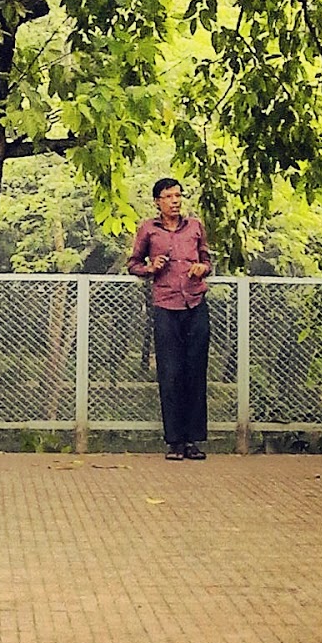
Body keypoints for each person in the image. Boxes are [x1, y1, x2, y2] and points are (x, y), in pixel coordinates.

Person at [127, 177, 214, 460]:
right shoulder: (148, 229)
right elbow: (133, 264)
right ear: (157, 202)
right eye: (168, 196)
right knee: (170, 373)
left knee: (195, 372)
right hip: (166, 306)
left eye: (178, 196)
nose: (175, 201)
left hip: (195, 304)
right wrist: (151, 268)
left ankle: (193, 441)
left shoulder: (195, 227)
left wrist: (202, 268)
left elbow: (207, 261)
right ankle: (175, 441)